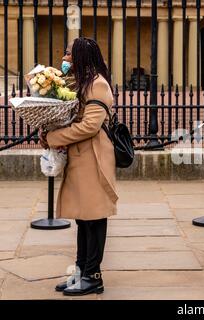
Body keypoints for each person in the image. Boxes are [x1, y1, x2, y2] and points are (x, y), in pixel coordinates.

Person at [40, 37, 117, 295]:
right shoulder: (86, 83)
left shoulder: (97, 85)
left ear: (82, 56)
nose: (65, 58)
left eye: (69, 54)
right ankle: (82, 271)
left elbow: (90, 126)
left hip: (94, 159)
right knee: (84, 220)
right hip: (82, 158)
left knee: (94, 219)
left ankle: (93, 276)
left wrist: (54, 137)